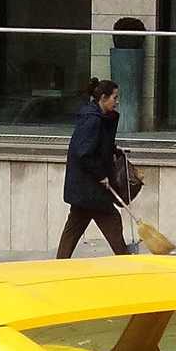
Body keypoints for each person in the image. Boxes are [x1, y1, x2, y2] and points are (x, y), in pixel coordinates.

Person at [57, 78, 131, 259]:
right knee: (111, 220)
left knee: (74, 227)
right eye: (115, 98)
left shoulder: (95, 118)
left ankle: (59, 263)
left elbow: (93, 144)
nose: (117, 101)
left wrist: (113, 148)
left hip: (85, 188)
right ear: (104, 98)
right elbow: (84, 153)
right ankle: (126, 259)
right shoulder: (92, 121)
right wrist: (101, 176)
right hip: (91, 187)